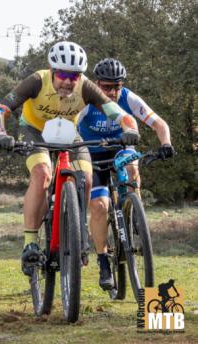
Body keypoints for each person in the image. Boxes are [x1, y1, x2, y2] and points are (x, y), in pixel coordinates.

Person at [0, 41, 141, 277]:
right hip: (34, 130)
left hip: (68, 133)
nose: (69, 81)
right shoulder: (37, 81)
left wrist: (129, 128)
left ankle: (77, 232)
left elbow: (118, 113)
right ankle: (30, 242)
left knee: (87, 178)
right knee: (42, 174)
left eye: (75, 75)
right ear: (52, 71)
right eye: (62, 74)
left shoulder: (86, 87)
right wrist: (0, 134)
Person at [77, 58, 174, 290]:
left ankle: (134, 210)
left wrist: (166, 143)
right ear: (96, 84)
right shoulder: (85, 100)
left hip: (121, 148)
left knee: (131, 165)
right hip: (93, 153)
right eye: (106, 87)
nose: (112, 92)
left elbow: (159, 124)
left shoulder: (128, 98)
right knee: (99, 206)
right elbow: (68, 125)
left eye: (117, 86)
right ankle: (103, 261)